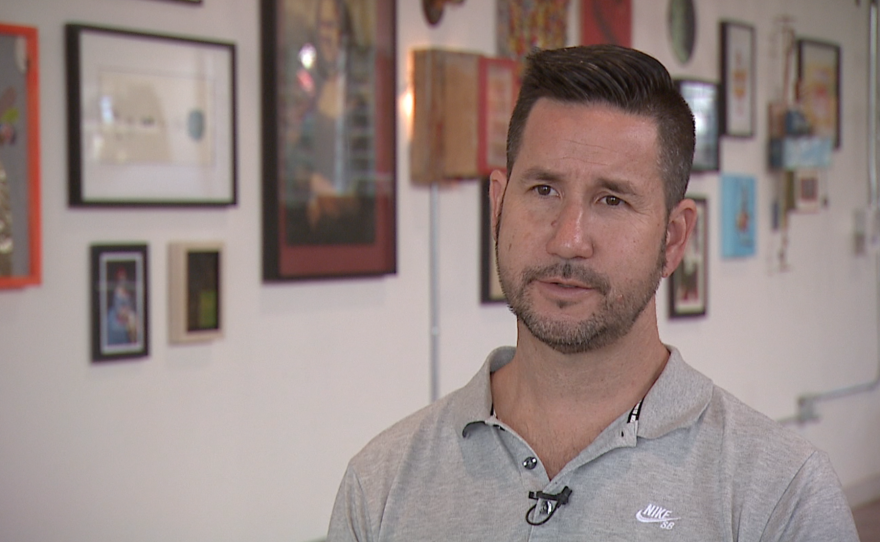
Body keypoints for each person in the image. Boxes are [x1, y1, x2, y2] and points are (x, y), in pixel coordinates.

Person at [327, 45, 859, 540]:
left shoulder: (782, 496)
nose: (568, 239)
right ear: (498, 206)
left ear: (673, 239)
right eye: (544, 190)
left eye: (612, 200)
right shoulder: (382, 485)